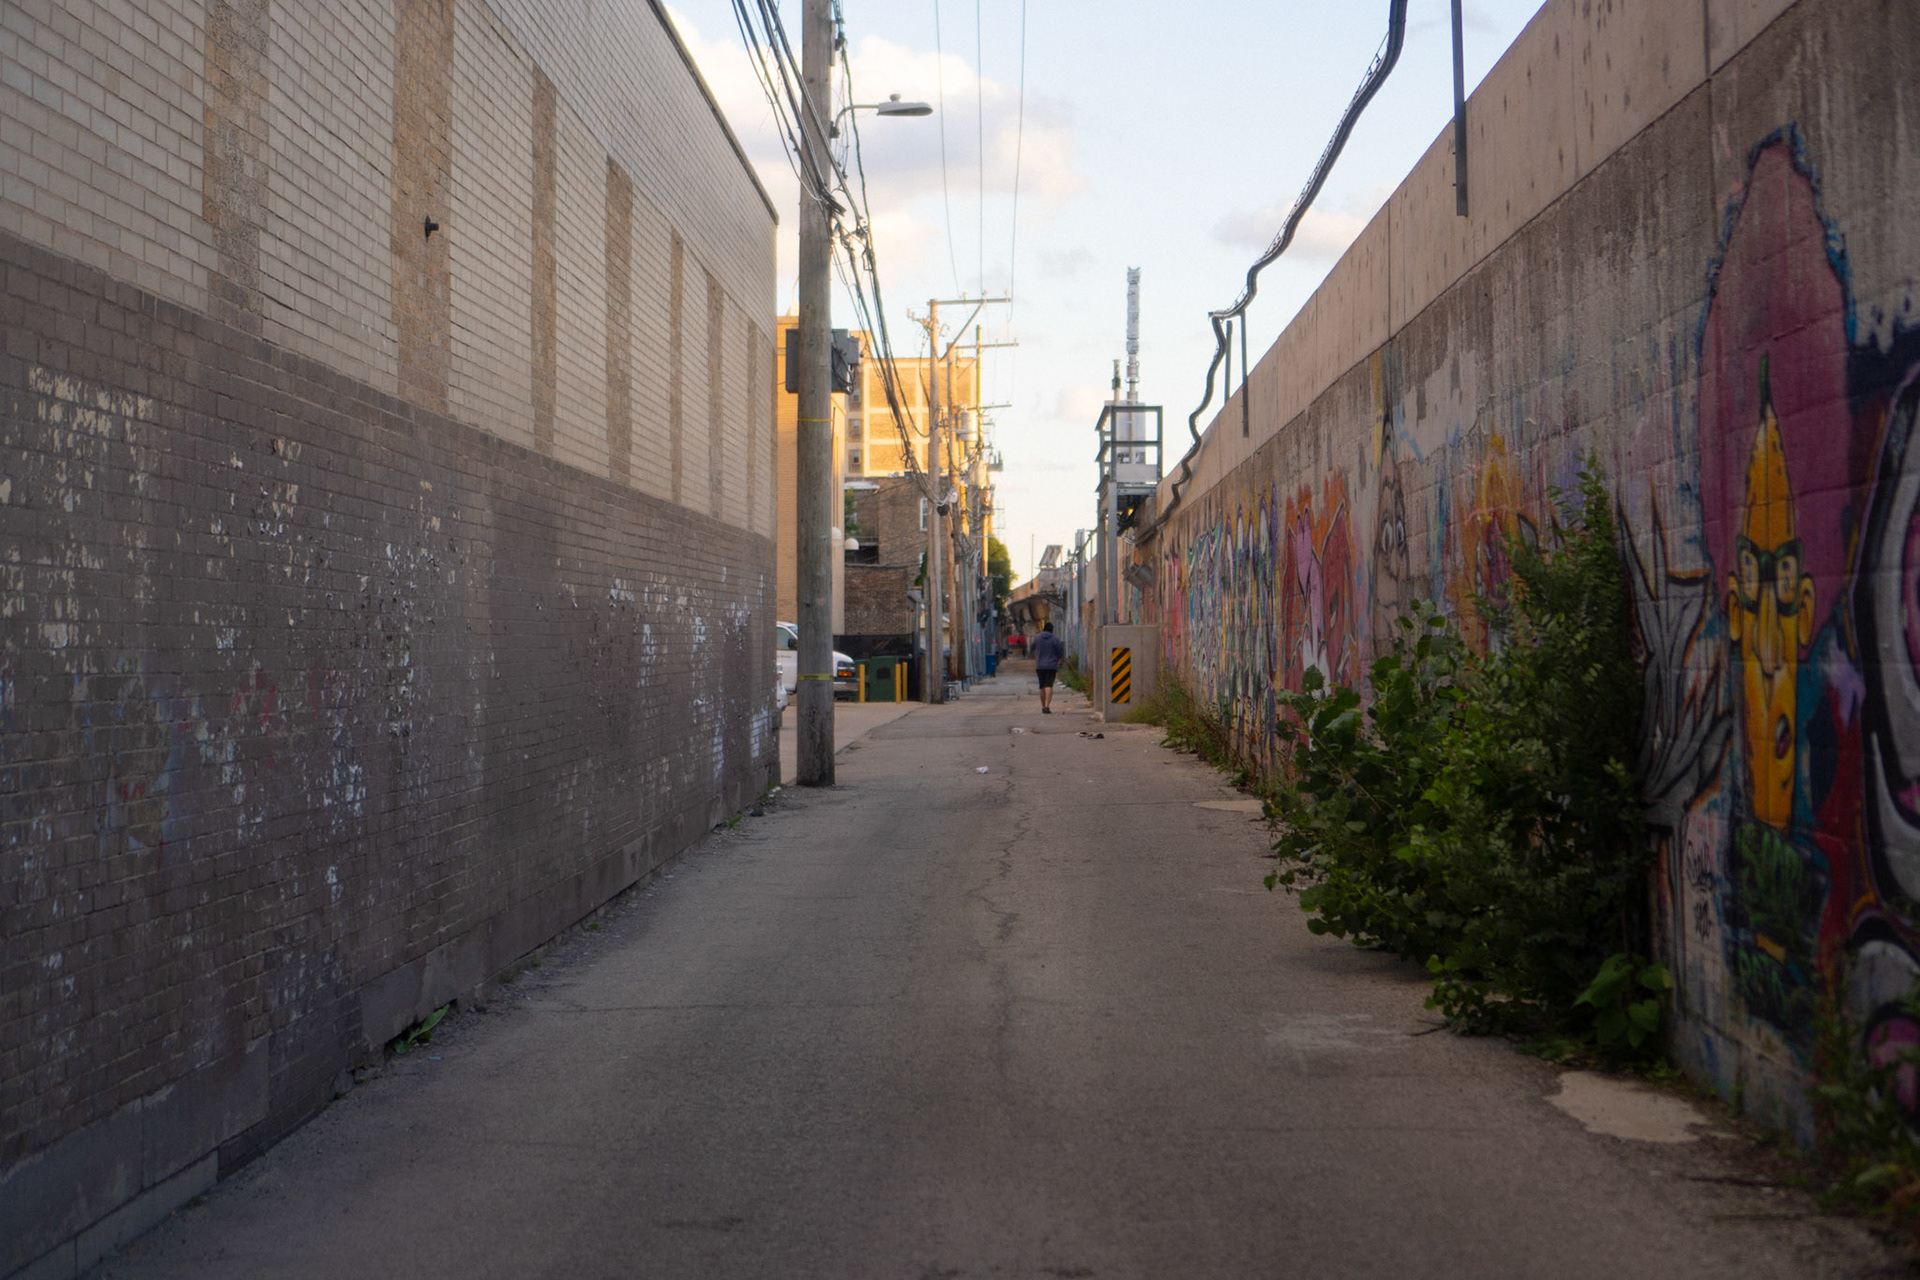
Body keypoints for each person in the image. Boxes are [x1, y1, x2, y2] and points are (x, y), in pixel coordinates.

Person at [1031, 621, 1065, 714]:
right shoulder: (1055, 639)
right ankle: (1047, 706)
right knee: (1049, 685)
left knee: (1041, 686)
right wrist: (1060, 660)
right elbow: (1059, 652)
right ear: (1052, 630)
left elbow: (1032, 647)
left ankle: (1042, 706)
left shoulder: (1037, 638)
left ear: (1043, 629)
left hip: (1040, 666)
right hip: (1051, 665)